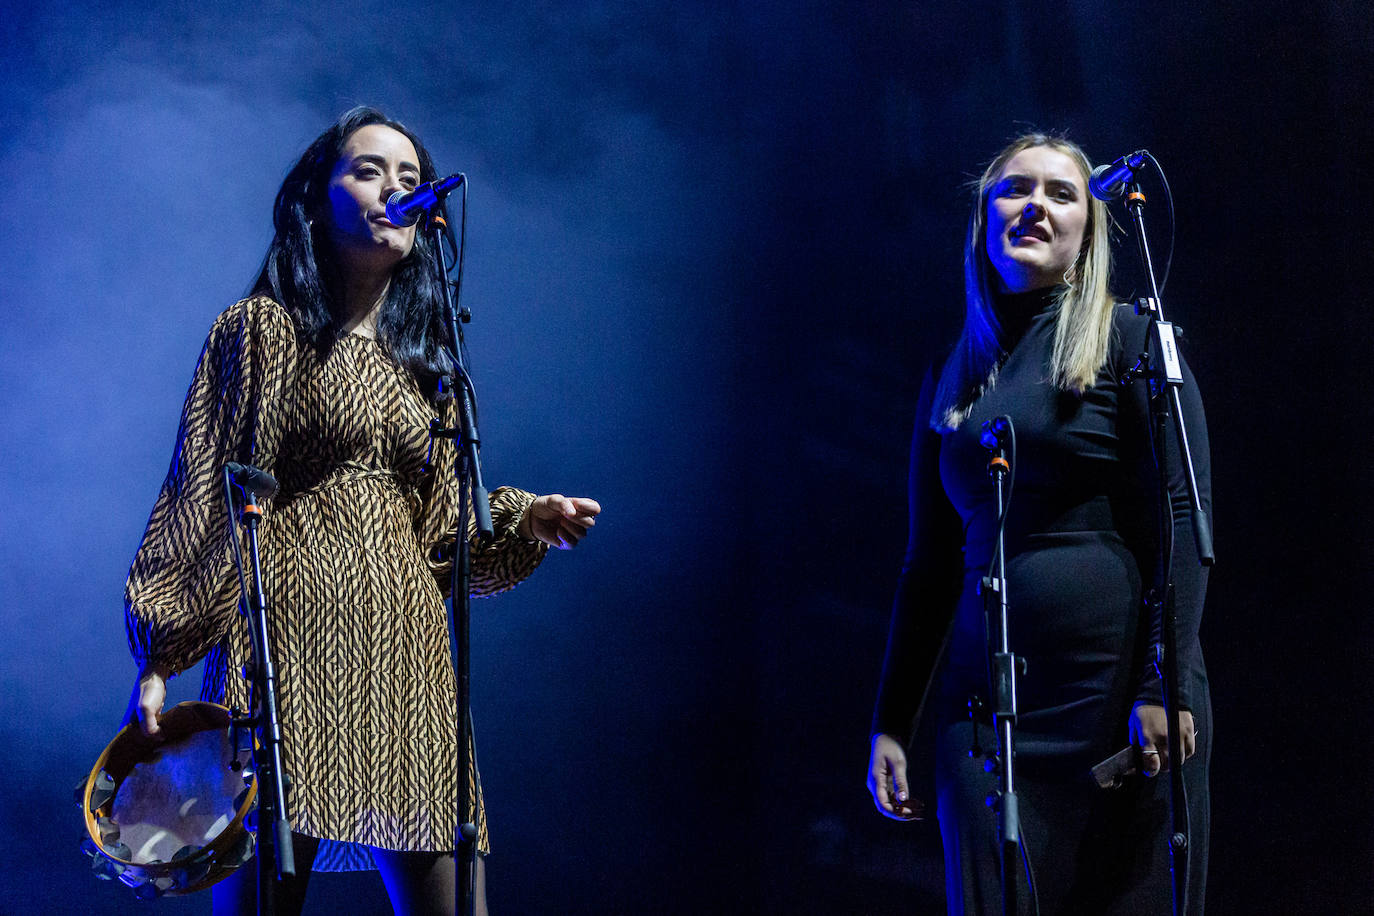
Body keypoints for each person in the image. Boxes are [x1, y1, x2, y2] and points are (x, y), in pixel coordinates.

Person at [123, 106, 601, 916]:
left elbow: (446, 538)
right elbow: (203, 488)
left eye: (410, 179)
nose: (395, 191)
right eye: (369, 171)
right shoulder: (263, 332)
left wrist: (522, 517)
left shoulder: (429, 372)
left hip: (406, 664)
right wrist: (162, 652)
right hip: (283, 657)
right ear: (317, 197)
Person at [866, 133, 1211, 914]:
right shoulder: (951, 367)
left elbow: (1183, 520)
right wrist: (892, 720)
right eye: (1015, 190)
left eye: (1061, 193)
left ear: (1090, 228)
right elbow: (927, 563)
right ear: (985, 220)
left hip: (1117, 701)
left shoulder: (1131, 342)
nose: (1035, 205)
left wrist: (1166, 682)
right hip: (985, 714)